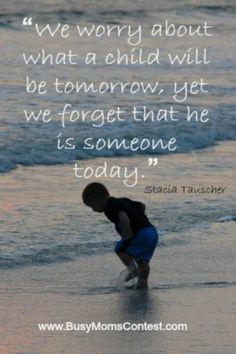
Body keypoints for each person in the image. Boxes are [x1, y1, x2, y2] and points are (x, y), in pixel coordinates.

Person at [82, 182, 158, 289]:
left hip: (140, 233)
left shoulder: (109, 207)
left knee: (120, 249)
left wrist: (127, 230)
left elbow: (122, 216)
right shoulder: (123, 200)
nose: (93, 210)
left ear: (98, 199)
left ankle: (133, 269)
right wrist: (140, 219)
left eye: (92, 206)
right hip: (152, 232)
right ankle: (142, 283)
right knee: (143, 260)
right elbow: (141, 206)